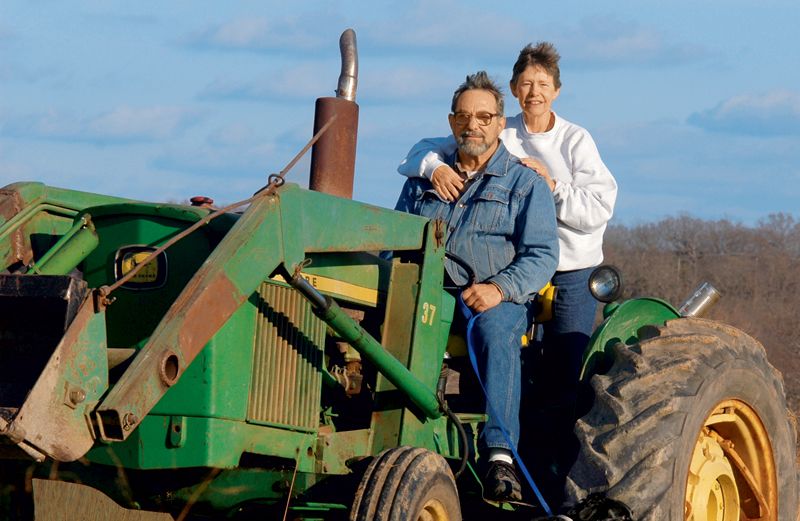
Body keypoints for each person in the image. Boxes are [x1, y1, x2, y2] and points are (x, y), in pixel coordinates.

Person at [398, 43, 617, 457]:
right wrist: (434, 168)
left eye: (544, 84)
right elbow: (425, 152)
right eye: (527, 83)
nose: (535, 91)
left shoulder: (575, 140)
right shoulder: (499, 127)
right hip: (498, 259)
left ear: (557, 90)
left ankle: (552, 457)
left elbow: (600, 206)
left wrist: (552, 187)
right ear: (515, 89)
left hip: (566, 262)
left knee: (562, 365)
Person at [394, 71, 559, 502]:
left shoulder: (525, 183)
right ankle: (400, 436)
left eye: (484, 117)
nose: (474, 125)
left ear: (500, 124)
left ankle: (500, 456)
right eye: (464, 117)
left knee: (495, 330)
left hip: (495, 295)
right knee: (393, 324)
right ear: (451, 123)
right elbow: (394, 241)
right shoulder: (423, 182)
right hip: (432, 291)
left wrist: (501, 289)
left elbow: (542, 254)